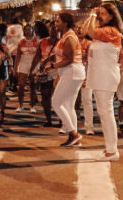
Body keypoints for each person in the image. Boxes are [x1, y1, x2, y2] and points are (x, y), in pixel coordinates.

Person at [81, 3, 123, 160]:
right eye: (100, 13)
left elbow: (90, 31)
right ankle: (110, 148)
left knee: (106, 112)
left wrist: (93, 15)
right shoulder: (102, 32)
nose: (100, 16)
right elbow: (86, 29)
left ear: (112, 16)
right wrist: (92, 14)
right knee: (104, 112)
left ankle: (112, 150)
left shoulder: (111, 31)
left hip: (106, 76)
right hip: (100, 76)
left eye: (104, 13)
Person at [46, 13, 85, 147]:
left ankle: (73, 133)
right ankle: (74, 138)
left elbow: (69, 59)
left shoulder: (69, 37)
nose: (55, 24)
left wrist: (53, 66)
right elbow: (61, 56)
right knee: (68, 106)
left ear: (65, 23)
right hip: (71, 73)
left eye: (58, 21)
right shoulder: (65, 36)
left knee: (56, 102)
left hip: (72, 72)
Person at [30, 21, 58, 127]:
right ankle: (48, 120)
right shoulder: (43, 42)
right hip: (45, 73)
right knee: (45, 96)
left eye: (55, 28)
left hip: (58, 73)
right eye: (51, 28)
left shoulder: (62, 41)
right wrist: (31, 70)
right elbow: (37, 56)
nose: (53, 30)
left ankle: (62, 120)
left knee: (57, 97)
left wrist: (47, 60)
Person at [14, 24, 40, 113]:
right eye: (26, 29)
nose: (28, 31)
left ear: (33, 30)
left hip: (34, 64)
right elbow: (17, 56)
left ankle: (32, 106)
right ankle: (20, 105)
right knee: (20, 86)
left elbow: (39, 55)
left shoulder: (37, 41)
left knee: (33, 86)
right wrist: (15, 68)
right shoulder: (21, 42)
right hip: (23, 64)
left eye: (29, 29)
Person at [76, 24, 94, 134]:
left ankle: (89, 127)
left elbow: (91, 62)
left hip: (86, 74)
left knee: (87, 101)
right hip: (73, 73)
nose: (79, 29)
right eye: (77, 27)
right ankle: (67, 126)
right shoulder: (72, 41)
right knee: (70, 101)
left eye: (82, 27)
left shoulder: (89, 44)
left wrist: (87, 77)